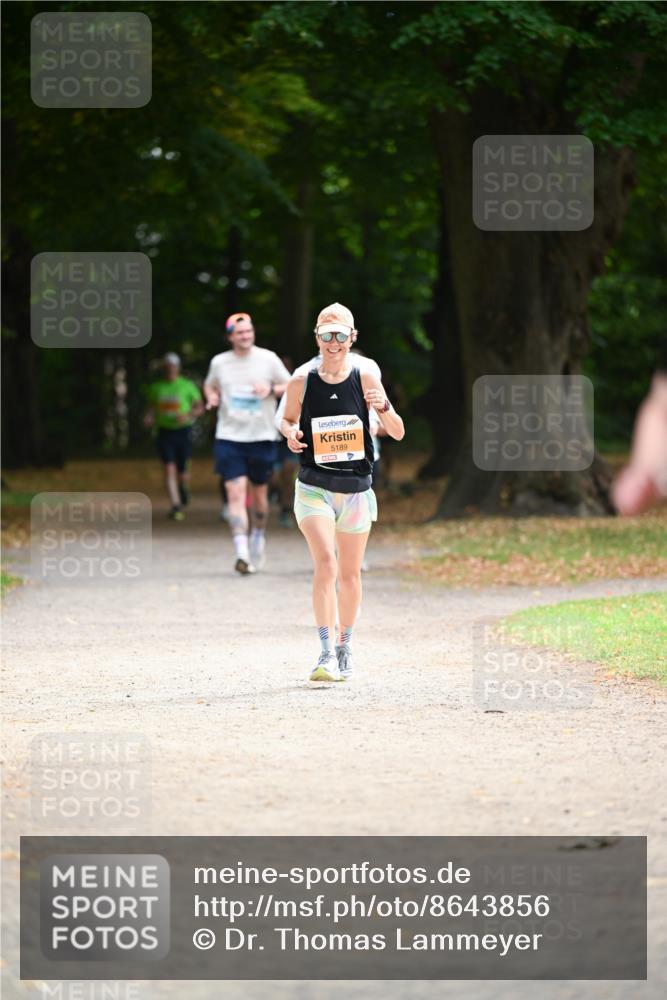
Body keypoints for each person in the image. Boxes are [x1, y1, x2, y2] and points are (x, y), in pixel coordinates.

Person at [280, 302, 405, 682]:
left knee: (349, 575)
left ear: (352, 338)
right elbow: (286, 419)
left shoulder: (366, 377)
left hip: (355, 490)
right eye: (325, 335)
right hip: (313, 487)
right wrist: (291, 435)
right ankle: (324, 653)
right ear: (316, 338)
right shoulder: (301, 381)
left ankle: (344, 645)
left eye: (340, 335)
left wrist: (383, 408)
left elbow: (398, 431)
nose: (333, 343)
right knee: (326, 565)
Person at [204, 312, 291, 574]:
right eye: (240, 333)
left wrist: (271, 389)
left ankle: (258, 537)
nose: (246, 336)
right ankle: (241, 552)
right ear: (230, 336)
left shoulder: (268, 358)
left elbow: (291, 385)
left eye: (249, 331)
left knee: (260, 499)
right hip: (230, 437)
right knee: (235, 493)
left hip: (261, 437)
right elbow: (209, 386)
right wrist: (212, 398)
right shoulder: (220, 362)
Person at [144, 353, 203, 520]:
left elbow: (199, 408)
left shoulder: (187, 386)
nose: (170, 369)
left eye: (173, 366)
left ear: (178, 368)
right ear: (164, 368)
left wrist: (188, 415)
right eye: (167, 366)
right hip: (164, 431)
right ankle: (176, 505)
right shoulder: (157, 387)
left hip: (183, 431)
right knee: (169, 468)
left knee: (182, 471)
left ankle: (183, 486)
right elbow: (151, 408)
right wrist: (148, 417)